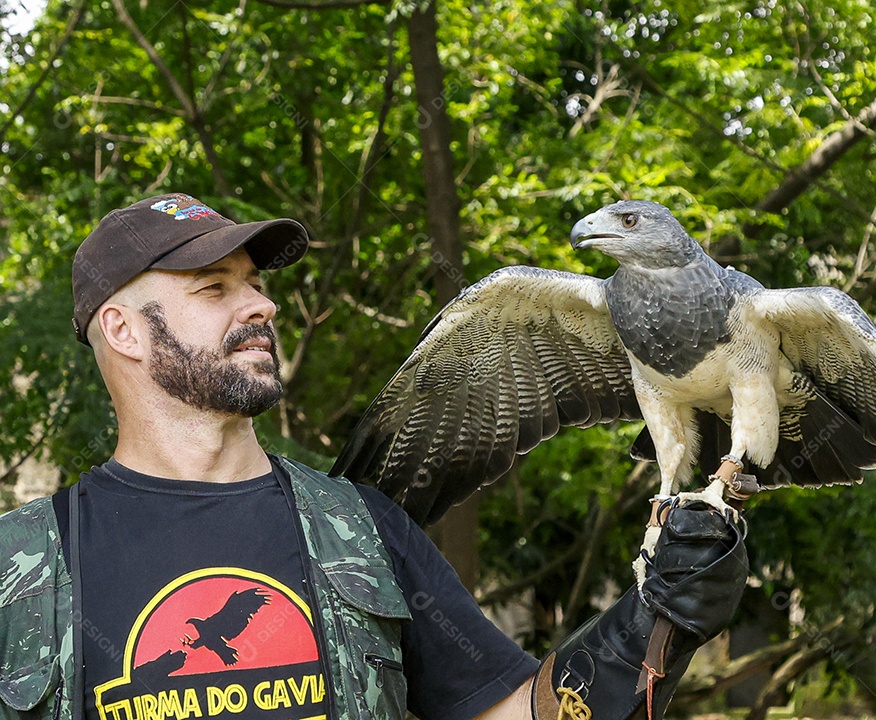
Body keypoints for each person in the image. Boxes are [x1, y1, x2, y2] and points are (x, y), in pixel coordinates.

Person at [0, 193, 749, 720]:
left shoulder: (360, 529)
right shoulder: (22, 566)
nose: (259, 305)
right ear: (124, 331)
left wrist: (653, 624)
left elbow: (516, 714)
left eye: (256, 284)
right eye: (213, 288)